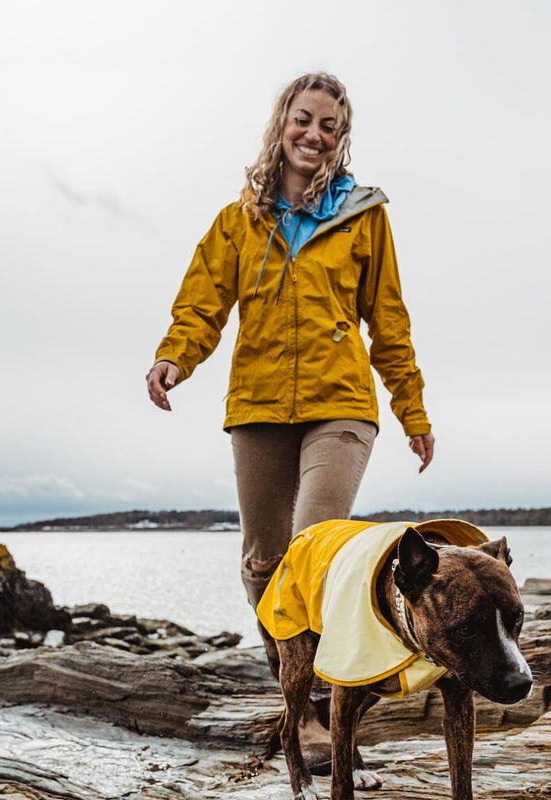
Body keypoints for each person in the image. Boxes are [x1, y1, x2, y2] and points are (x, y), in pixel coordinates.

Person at [145, 71, 434, 679]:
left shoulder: (364, 217)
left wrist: (413, 410)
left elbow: (389, 320)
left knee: (312, 553)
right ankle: (295, 689)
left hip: (342, 403)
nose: (314, 134)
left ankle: (330, 698)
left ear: (341, 139)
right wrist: (176, 355)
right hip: (258, 404)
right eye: (303, 119)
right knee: (264, 563)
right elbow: (202, 303)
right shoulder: (238, 221)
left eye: (330, 126)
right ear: (282, 123)